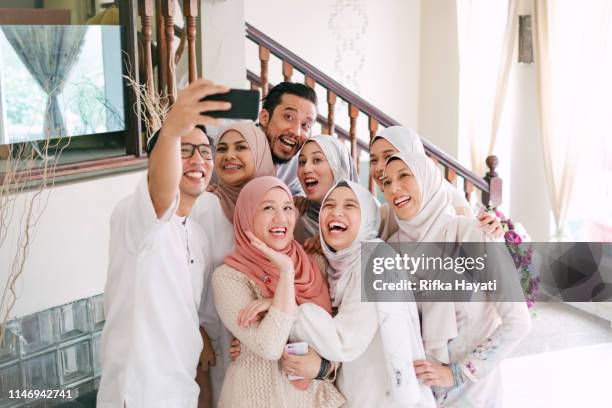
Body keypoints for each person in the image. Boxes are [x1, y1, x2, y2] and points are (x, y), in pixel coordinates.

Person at [97, 79, 230, 408]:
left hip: (182, 393)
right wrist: (171, 129)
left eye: (203, 150)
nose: (198, 159)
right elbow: (160, 193)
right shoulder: (136, 216)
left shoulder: (196, 236)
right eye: (184, 150)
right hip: (139, 395)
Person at [383, 152, 531, 407]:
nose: (394, 187)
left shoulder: (471, 234)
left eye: (404, 175)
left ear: (428, 180)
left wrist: (457, 372)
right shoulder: (390, 250)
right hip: (421, 394)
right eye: (386, 182)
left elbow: (518, 321)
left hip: (476, 392)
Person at [285, 180, 436, 407]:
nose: (336, 212)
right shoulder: (334, 265)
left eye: (350, 206)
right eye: (329, 205)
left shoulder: (377, 259)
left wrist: (284, 311)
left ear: (367, 217)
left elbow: (344, 339)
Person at [211, 176, 344, 408]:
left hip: (312, 400)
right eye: (268, 208)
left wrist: (323, 367)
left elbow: (337, 339)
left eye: (287, 208)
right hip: (254, 399)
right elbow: (270, 346)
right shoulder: (229, 277)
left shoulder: (315, 264)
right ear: (247, 215)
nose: (280, 218)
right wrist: (285, 273)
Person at [189, 121, 276, 406]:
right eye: (222, 149)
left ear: (260, 153)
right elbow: (182, 279)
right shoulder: (205, 206)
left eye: (241, 147)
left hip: (262, 340)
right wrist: (198, 336)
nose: (229, 156)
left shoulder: (275, 205)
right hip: (213, 340)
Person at [369, 126, 503, 240]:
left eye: (389, 157)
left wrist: (492, 234)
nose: (380, 167)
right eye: (373, 160)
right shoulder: (387, 211)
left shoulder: (456, 210)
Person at [293, 135, 359, 245]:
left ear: (337, 166)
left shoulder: (367, 217)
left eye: (317, 160)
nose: (306, 169)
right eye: (302, 162)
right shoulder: (298, 217)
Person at [258, 82, 318, 195]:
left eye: (305, 125)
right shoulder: (231, 145)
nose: (296, 132)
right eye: (289, 117)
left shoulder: (300, 164)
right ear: (265, 118)